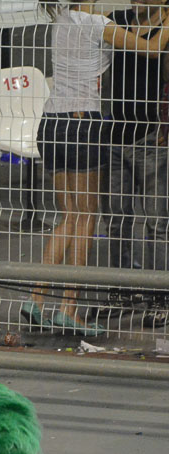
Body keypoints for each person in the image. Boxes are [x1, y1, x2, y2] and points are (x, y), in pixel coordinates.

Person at [28, 0, 169, 335]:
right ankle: (69, 309)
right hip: (82, 125)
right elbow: (151, 50)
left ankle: (35, 299)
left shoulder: (61, 19)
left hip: (52, 124)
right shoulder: (97, 24)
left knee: (69, 217)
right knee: (87, 217)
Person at [103, 0, 169, 329]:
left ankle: (160, 297)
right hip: (117, 134)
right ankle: (123, 292)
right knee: (117, 218)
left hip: (153, 137)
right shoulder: (116, 20)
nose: (136, 1)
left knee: (157, 223)